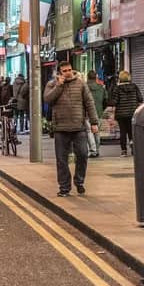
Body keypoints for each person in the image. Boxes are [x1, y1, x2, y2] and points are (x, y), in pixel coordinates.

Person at [45, 61, 99, 197]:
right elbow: (48, 99)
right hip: (60, 128)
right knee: (61, 159)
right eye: (65, 71)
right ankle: (64, 187)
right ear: (59, 73)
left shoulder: (81, 84)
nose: (68, 72)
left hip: (78, 127)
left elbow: (89, 103)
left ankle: (79, 181)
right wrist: (59, 86)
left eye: (69, 70)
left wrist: (94, 122)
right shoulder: (52, 84)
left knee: (82, 154)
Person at [109, 71, 143, 158]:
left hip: (121, 114)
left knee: (123, 132)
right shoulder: (134, 87)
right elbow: (140, 98)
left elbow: (114, 102)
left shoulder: (117, 88)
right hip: (132, 113)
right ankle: (133, 148)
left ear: (120, 78)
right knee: (132, 131)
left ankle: (123, 151)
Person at [85, 71, 107, 158]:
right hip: (98, 111)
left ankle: (92, 150)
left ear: (87, 77)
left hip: (87, 112)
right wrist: (101, 109)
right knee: (96, 131)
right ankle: (97, 149)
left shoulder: (84, 87)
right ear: (96, 78)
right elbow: (106, 100)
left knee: (89, 131)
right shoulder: (101, 88)